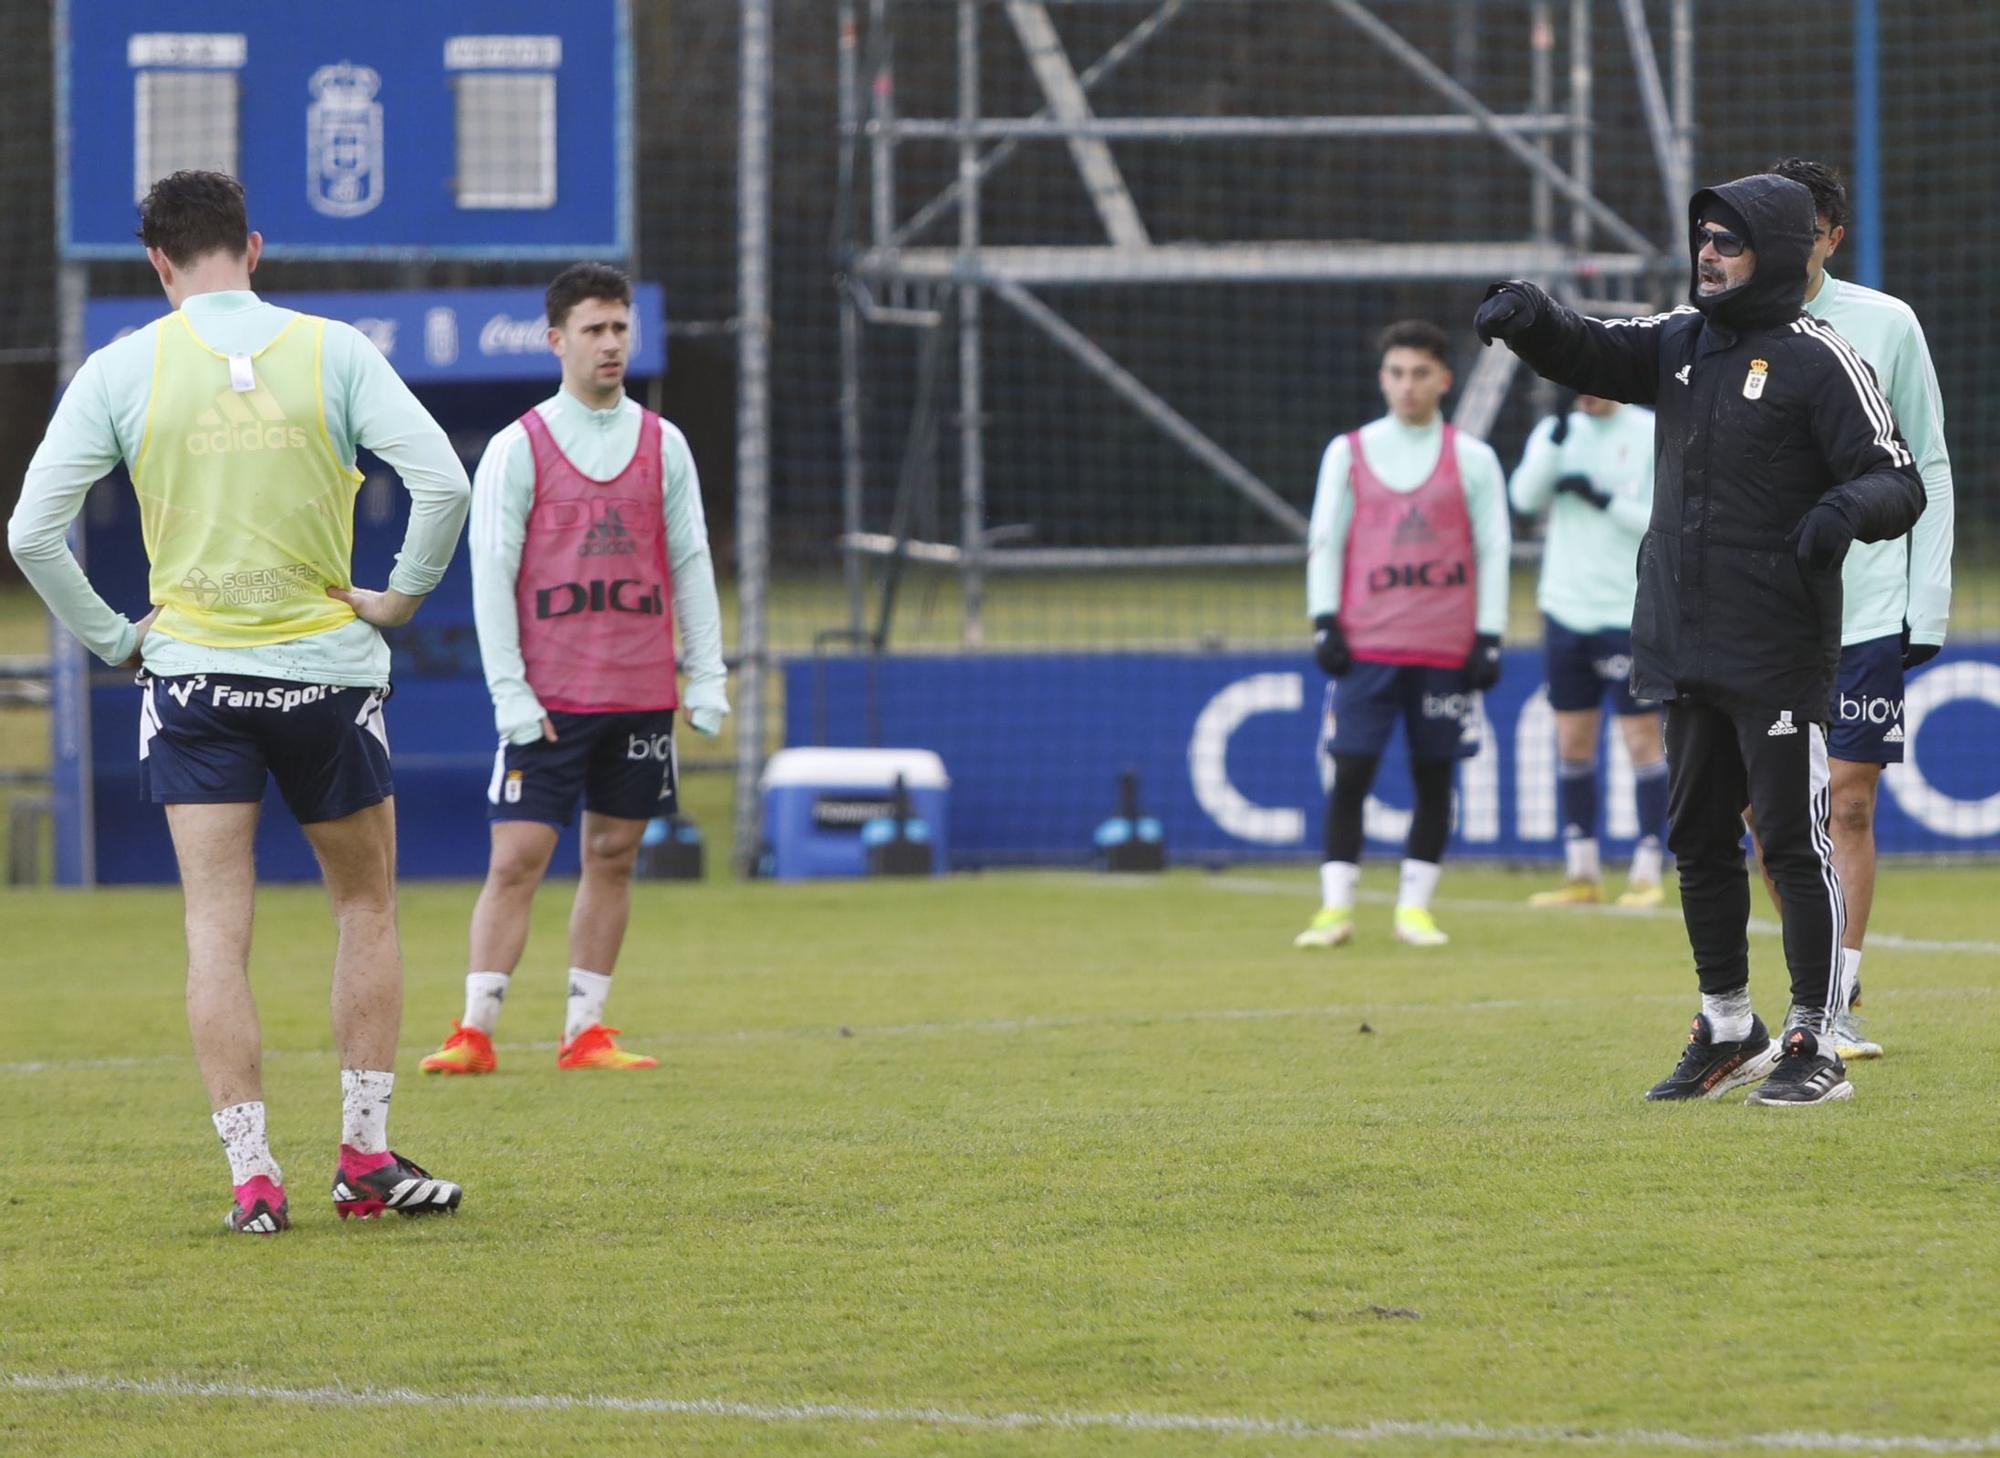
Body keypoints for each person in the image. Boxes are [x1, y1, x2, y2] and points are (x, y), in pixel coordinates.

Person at [5, 170, 472, 1231]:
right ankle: (364, 1159)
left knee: (216, 932)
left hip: (196, 680)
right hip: (326, 675)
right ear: (252, 248)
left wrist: (119, 641)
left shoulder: (123, 367)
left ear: (158, 262)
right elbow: (443, 484)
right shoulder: (334, 350)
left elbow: (32, 532)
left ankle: (254, 1178)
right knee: (365, 907)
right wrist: (397, 599)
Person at [1475, 172, 1925, 1106]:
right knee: (1695, 836)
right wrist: (1530, 316)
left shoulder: (1822, 359)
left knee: (1793, 844)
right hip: (1682, 641)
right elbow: (1591, 350)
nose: (1707, 254)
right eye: (1702, 238)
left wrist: (1842, 508)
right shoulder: (1680, 339)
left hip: (1778, 648)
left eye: (1728, 240)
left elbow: (1896, 479)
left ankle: (1818, 1040)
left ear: (1779, 251)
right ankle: (1728, 1023)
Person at [418, 263, 728, 1076]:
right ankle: (475, 1030)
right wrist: (510, 692)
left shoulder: (666, 444)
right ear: (557, 341)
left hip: (638, 692)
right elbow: (491, 572)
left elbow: (691, 560)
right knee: (516, 859)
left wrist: (708, 673)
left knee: (614, 855)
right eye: (594, 330)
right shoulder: (520, 446)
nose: (611, 344)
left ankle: (585, 1031)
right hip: (549, 699)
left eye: (621, 327)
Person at [1743, 158, 1954, 1063]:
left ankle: (1832, 998)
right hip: (1757, 611)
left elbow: (1929, 464)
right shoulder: (1723, 321)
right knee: (1770, 818)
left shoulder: (1886, 322)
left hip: (1865, 606)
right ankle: (1819, 975)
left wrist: (1928, 601)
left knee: (1851, 807)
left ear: (1829, 236)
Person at [1296, 320, 1511, 950]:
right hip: (1368, 647)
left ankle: (1414, 910)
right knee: (1352, 771)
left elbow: (1495, 547)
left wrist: (1489, 635)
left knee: (1434, 775)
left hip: (1443, 648)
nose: (1407, 385)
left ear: (1443, 380)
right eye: (1396, 373)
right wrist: (1324, 619)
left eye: (1420, 373)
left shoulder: (1471, 458)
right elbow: (1325, 539)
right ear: (1382, 378)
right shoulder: (1349, 451)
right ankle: (1335, 910)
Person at [1509, 393, 1669, 908]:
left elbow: (1661, 518)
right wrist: (1553, 442)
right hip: (1564, 609)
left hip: (1625, 610)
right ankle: (1582, 872)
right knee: (1571, 740)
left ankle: (1648, 869)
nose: (1588, 395)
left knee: (1641, 737)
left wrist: (1604, 500)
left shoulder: (1648, 428)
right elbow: (1523, 500)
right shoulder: (1558, 432)